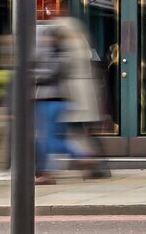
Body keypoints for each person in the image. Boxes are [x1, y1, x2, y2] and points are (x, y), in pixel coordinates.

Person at [52, 16, 110, 179]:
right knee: (82, 132)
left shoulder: (70, 47)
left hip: (74, 97)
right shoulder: (82, 45)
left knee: (73, 131)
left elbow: (61, 70)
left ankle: (89, 162)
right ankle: (92, 164)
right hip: (84, 98)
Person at [32, 20, 66, 184]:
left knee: (47, 139)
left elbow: (47, 75)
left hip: (50, 100)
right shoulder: (52, 52)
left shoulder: (54, 54)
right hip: (47, 99)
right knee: (47, 138)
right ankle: (46, 171)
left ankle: (85, 156)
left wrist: (33, 76)